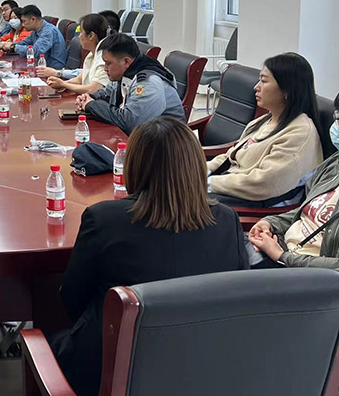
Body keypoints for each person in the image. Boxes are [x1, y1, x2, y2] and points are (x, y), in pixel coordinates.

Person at [53, 117, 248, 396]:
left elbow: (72, 302)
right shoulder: (227, 221)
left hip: (111, 374)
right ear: (195, 166)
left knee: (49, 338)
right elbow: (235, 303)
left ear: (135, 165)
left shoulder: (104, 219)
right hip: (202, 372)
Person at [208, 53, 323, 207]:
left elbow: (264, 182)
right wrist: (200, 171)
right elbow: (230, 156)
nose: (256, 87)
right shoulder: (264, 121)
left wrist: (209, 183)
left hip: (250, 201)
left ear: (287, 90)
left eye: (264, 81)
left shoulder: (300, 132)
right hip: (229, 186)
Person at [249, 86, 339, 267]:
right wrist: (270, 223)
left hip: (303, 273)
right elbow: (308, 210)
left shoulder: (299, 129)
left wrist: (281, 256)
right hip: (283, 246)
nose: (335, 126)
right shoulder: (338, 162)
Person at [77, 32, 183, 134]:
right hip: (148, 137)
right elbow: (107, 94)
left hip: (166, 142)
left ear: (126, 62)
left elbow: (131, 124)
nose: (105, 68)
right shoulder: (124, 73)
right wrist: (89, 97)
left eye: (108, 63)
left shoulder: (148, 82)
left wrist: (92, 105)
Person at [43, 13, 110, 95]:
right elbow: (79, 80)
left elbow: (93, 89)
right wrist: (61, 84)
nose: (79, 36)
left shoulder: (104, 59)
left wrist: (63, 84)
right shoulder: (91, 55)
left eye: (81, 32)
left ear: (91, 36)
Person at [0, 4, 67, 69]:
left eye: (24, 21)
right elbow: (24, 42)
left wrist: (13, 47)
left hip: (52, 70)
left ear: (33, 19)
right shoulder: (35, 31)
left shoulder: (48, 31)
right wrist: (7, 45)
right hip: (40, 65)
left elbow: (35, 51)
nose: (22, 25)